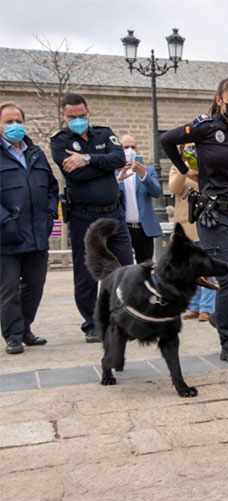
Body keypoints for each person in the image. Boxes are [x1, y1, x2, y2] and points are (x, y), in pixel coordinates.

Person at [161, 77, 228, 363]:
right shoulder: (205, 127)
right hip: (213, 214)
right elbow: (167, 140)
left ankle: (221, 316)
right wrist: (184, 170)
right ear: (219, 100)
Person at [50, 93, 133, 343]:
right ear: (64, 116)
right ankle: (93, 323)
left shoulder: (105, 133)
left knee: (125, 268)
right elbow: (75, 175)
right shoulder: (59, 141)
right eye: (72, 117)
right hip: (84, 218)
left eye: (82, 116)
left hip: (114, 214)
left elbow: (119, 159)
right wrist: (103, 165)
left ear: (89, 112)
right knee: (86, 273)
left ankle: (121, 318)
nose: (78, 120)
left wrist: (86, 159)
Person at [0, 101, 59, 354]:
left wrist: (48, 214)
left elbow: (52, 187)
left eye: (18, 121)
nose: (15, 126)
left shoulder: (35, 153)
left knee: (35, 285)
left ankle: (25, 328)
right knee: (9, 288)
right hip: (6, 235)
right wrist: (5, 221)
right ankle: (13, 335)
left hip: (37, 232)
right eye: (9, 122)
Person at [168, 142, 215, 322]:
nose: (191, 150)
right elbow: (174, 188)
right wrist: (185, 167)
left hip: (204, 224)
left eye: (194, 147)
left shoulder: (208, 165)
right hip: (185, 225)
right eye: (187, 147)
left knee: (206, 268)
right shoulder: (176, 168)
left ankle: (207, 308)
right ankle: (193, 306)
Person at [117, 134, 163, 263]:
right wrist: (119, 179)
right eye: (126, 147)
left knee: (146, 266)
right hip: (123, 228)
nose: (130, 150)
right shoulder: (113, 172)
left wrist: (144, 175)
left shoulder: (148, 170)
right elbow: (108, 195)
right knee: (123, 266)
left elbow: (157, 192)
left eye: (133, 147)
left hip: (143, 229)